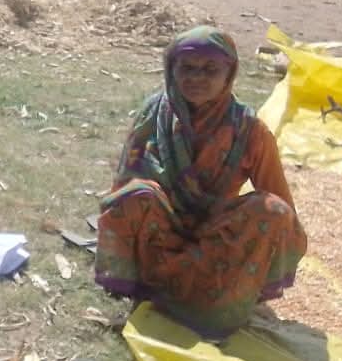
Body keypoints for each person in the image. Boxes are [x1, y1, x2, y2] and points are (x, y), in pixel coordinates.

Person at [95, 25, 307, 337]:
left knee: (273, 211)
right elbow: (125, 179)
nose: (197, 78)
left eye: (210, 69)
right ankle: (149, 288)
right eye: (187, 68)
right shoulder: (153, 113)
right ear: (171, 70)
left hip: (216, 239)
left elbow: (280, 201)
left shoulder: (249, 130)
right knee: (135, 195)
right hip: (161, 231)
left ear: (229, 73)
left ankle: (216, 300)